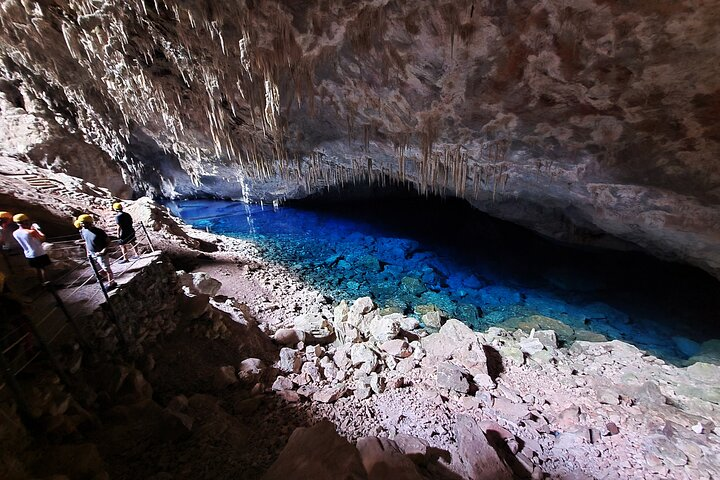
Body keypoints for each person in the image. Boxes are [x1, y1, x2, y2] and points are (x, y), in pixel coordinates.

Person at [77, 214, 116, 289]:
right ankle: (111, 280)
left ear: (89, 223)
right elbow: (86, 241)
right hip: (92, 253)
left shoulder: (99, 232)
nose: (82, 224)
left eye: (83, 223)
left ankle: (111, 284)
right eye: (81, 223)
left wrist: (103, 250)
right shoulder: (83, 231)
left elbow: (108, 241)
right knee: (98, 270)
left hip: (101, 253)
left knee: (107, 269)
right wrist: (88, 252)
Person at [12, 213, 51, 284]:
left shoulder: (15, 233)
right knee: (44, 269)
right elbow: (42, 239)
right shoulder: (31, 232)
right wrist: (37, 230)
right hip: (38, 252)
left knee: (37, 269)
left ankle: (41, 284)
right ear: (24, 221)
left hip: (28, 254)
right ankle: (48, 284)